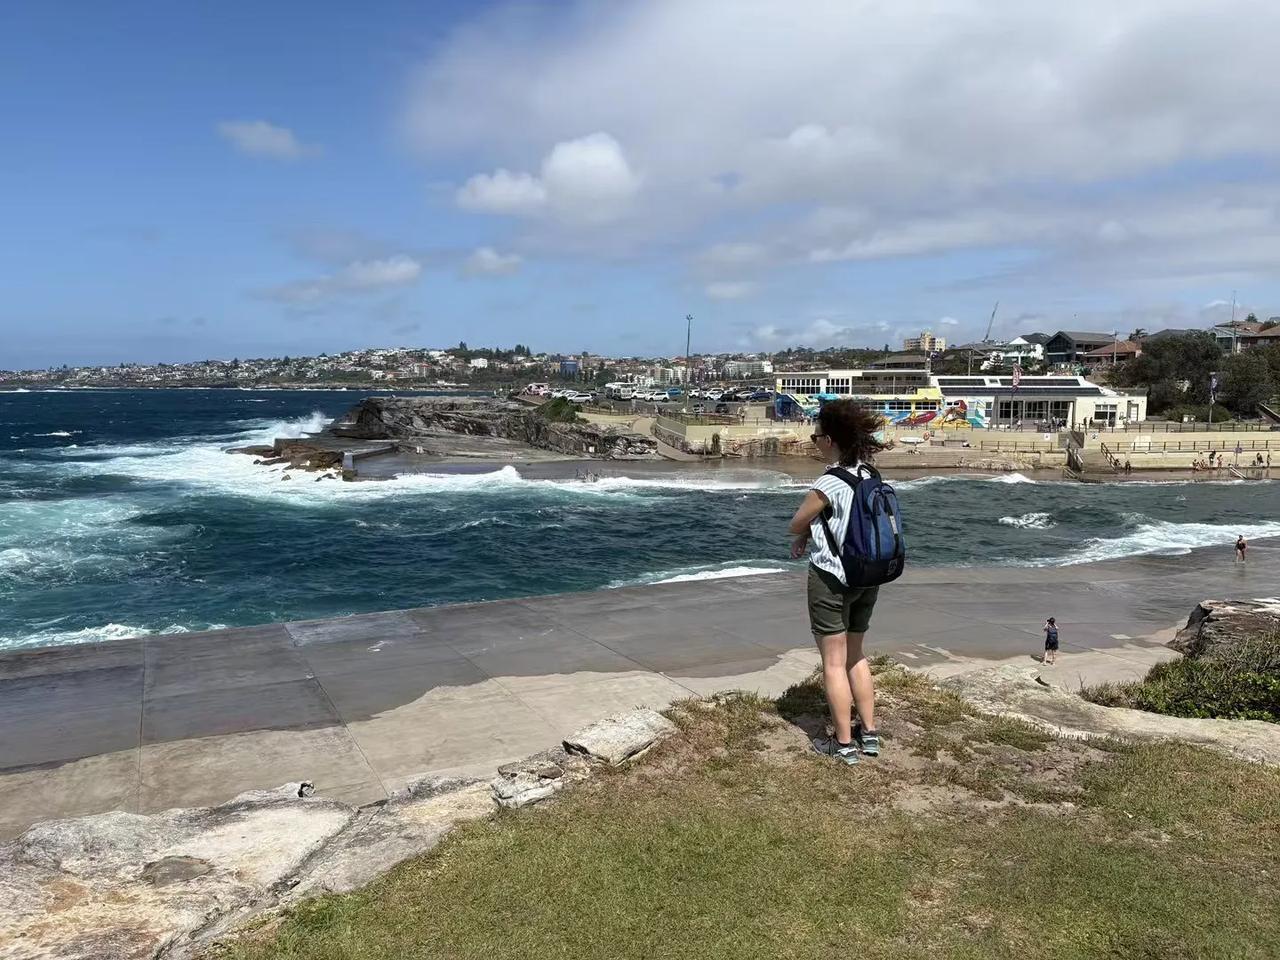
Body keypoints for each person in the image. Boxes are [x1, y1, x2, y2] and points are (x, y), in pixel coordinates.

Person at [788, 400, 887, 765]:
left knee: (832, 662)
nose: (814, 442)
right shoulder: (870, 475)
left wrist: (800, 534)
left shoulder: (829, 481)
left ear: (829, 440)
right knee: (856, 655)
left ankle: (843, 744)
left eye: (815, 437)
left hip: (831, 578)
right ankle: (870, 734)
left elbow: (797, 522)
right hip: (868, 575)